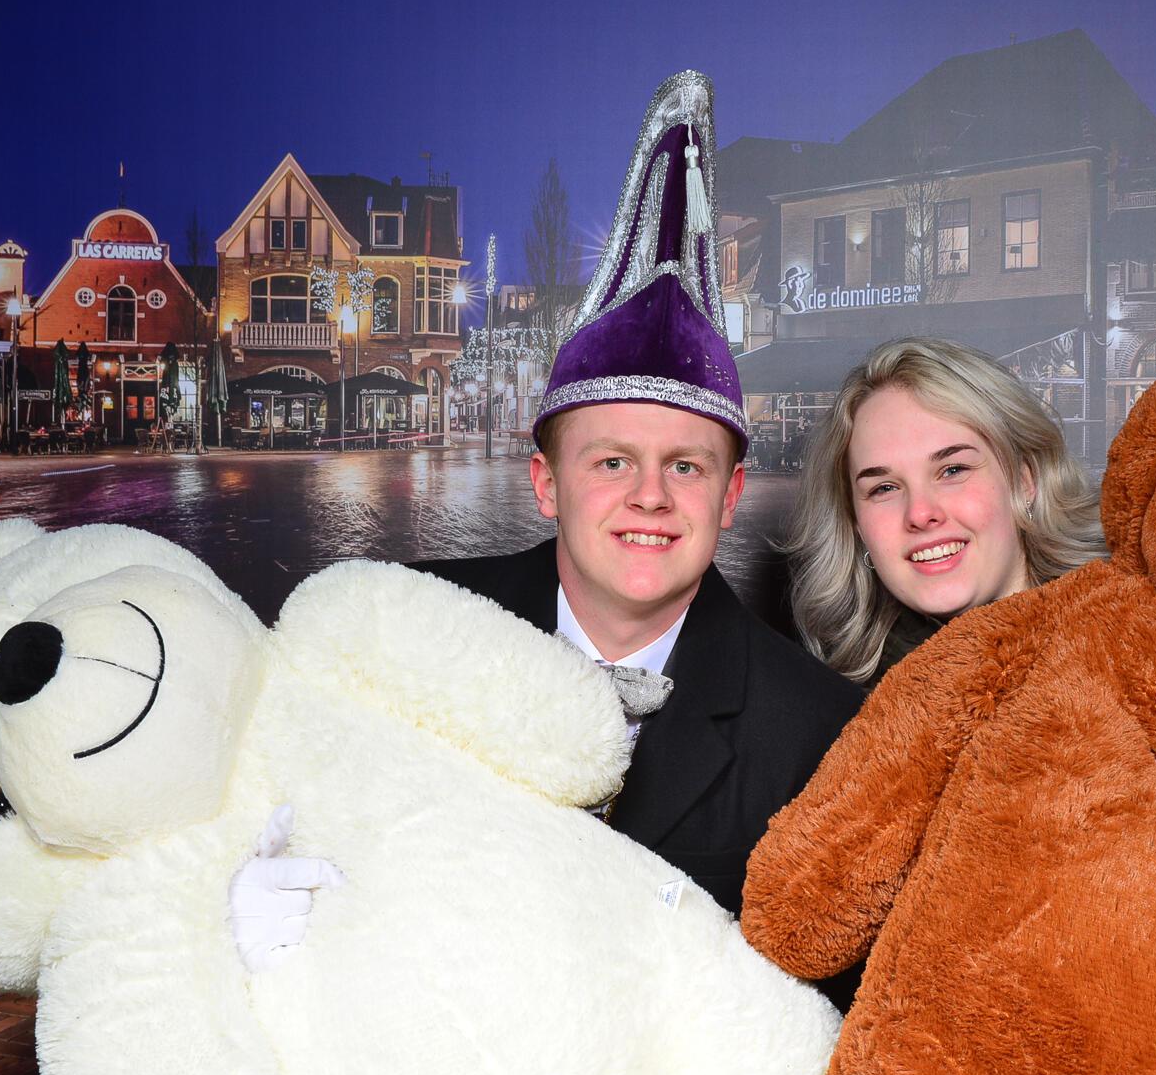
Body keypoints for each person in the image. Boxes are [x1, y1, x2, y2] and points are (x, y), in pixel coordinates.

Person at [229, 71, 863, 998]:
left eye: (686, 467)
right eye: (611, 461)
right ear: (545, 484)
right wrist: (238, 914)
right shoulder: (411, 632)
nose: (650, 496)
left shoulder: (814, 732)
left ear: (730, 496)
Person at [783, 335, 1156, 850]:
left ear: (1025, 481)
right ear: (856, 524)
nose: (921, 513)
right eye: (883, 488)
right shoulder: (837, 716)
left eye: (953, 469)